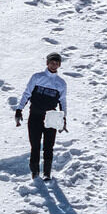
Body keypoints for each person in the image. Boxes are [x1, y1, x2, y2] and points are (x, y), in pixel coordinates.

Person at [12, 52, 68, 180]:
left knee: (49, 146)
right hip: (35, 116)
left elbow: (63, 101)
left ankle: (47, 173)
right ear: (47, 63)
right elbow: (27, 93)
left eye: (57, 63)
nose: (54, 65)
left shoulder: (61, 83)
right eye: (52, 62)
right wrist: (19, 109)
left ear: (59, 65)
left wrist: (63, 118)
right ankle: (35, 173)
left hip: (51, 118)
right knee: (35, 145)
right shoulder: (37, 77)